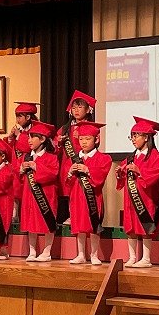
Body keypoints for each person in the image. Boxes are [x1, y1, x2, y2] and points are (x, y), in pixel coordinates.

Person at [115, 117, 159, 268]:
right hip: (130, 198)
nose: (133, 139)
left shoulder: (156, 156)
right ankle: (132, 257)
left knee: (144, 225)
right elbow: (123, 178)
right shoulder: (130, 157)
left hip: (147, 198)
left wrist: (139, 171)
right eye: (132, 136)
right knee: (131, 226)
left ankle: (146, 259)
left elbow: (155, 176)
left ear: (147, 137)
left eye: (136, 135)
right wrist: (119, 174)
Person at [66, 121, 112, 265]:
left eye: (87, 139)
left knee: (93, 225)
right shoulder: (73, 159)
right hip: (76, 196)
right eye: (81, 139)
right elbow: (67, 182)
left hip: (93, 196)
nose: (84, 142)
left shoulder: (103, 158)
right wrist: (70, 172)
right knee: (79, 225)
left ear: (96, 139)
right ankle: (80, 254)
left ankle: (94, 254)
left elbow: (101, 177)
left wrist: (88, 170)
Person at [20, 121, 59, 262]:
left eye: (32, 137)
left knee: (47, 221)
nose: (29, 140)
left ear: (42, 139)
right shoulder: (26, 157)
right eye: (28, 137)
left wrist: (36, 167)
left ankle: (47, 252)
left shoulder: (52, 157)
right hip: (29, 194)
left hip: (46, 194)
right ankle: (32, 251)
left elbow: (53, 174)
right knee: (30, 222)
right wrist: (21, 170)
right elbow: (18, 177)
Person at [57, 91, 95, 224]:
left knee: (81, 191)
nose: (76, 110)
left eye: (80, 107)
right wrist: (59, 142)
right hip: (66, 164)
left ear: (88, 110)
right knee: (68, 191)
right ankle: (71, 215)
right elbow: (55, 148)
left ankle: (80, 216)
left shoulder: (91, 127)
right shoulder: (65, 128)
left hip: (83, 163)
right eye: (74, 108)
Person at [5, 101, 40, 221]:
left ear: (28, 117)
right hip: (17, 162)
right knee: (15, 187)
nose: (17, 120)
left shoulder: (36, 130)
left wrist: (19, 136)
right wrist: (11, 138)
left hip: (29, 162)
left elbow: (28, 147)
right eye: (17, 116)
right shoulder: (21, 130)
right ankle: (14, 214)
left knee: (26, 189)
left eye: (20, 116)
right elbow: (10, 148)